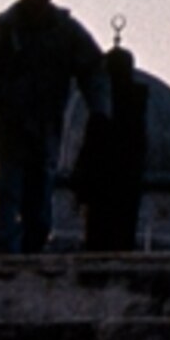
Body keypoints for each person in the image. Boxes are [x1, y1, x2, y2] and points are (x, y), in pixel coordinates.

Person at [0, 0, 112, 256]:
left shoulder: (65, 32)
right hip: (10, 128)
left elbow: (93, 70)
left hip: (46, 126)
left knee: (40, 203)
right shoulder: (5, 34)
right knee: (10, 192)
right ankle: (5, 258)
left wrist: (100, 111)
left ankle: (30, 256)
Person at [71, 20, 150, 253]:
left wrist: (81, 181)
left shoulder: (102, 104)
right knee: (121, 233)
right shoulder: (137, 106)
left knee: (100, 234)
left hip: (103, 184)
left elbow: (93, 144)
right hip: (127, 184)